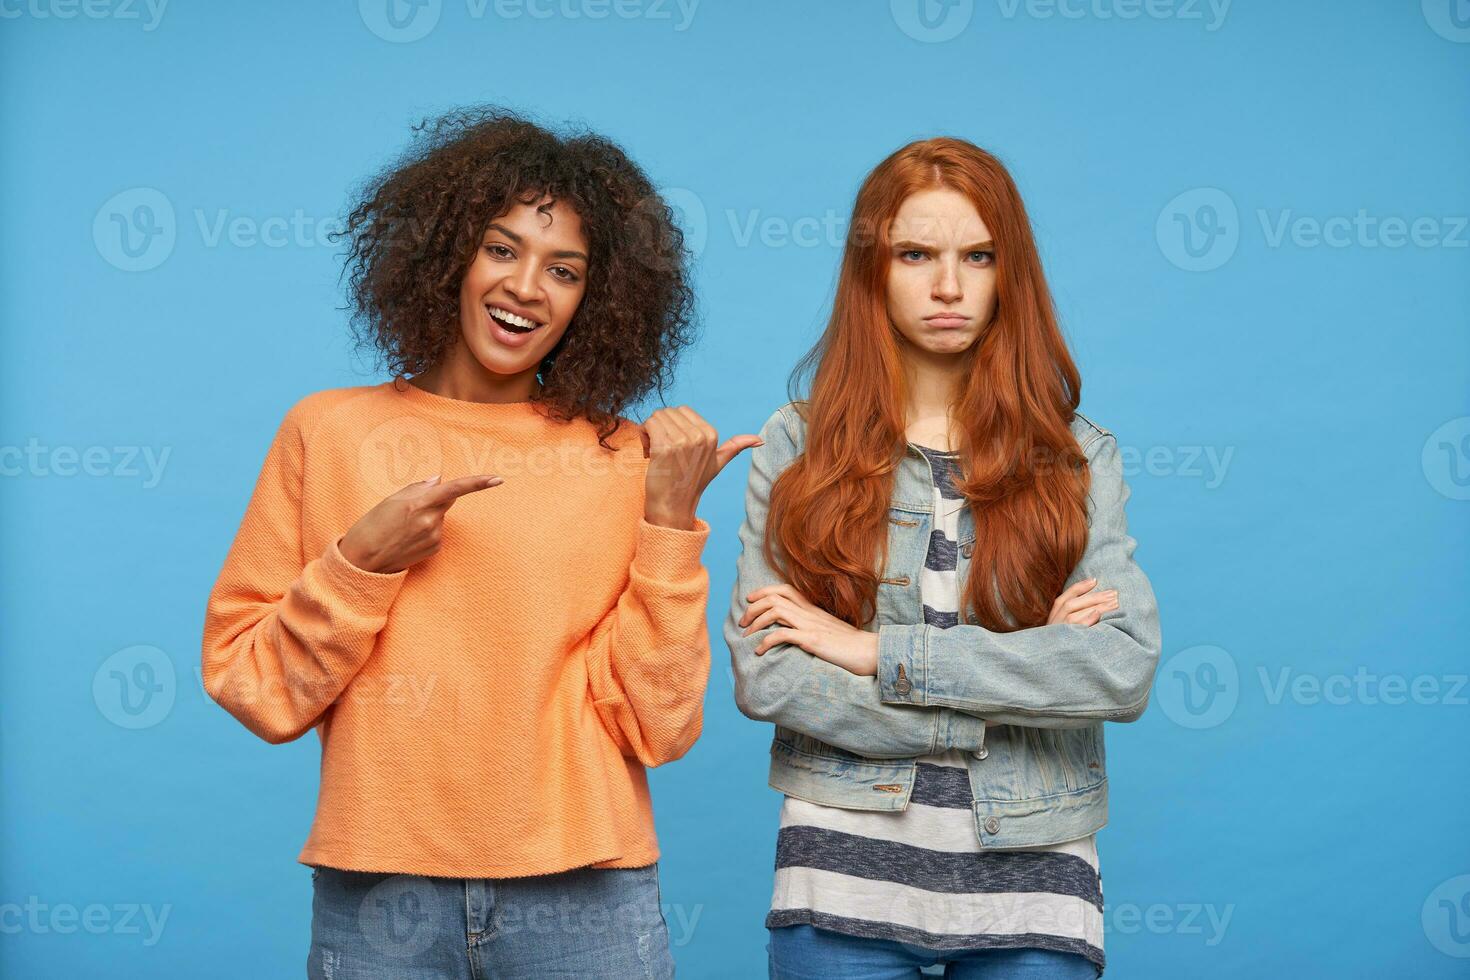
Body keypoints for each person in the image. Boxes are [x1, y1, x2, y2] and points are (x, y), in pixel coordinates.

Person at [202, 105, 759, 979]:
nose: (526, 288)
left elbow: (659, 729)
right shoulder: (328, 433)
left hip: (587, 897)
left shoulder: (622, 459)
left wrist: (669, 526)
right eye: (501, 249)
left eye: (564, 269)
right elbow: (255, 687)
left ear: (597, 298)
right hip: (380, 895)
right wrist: (360, 564)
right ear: (446, 255)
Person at [726, 136, 1163, 978]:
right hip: (841, 879)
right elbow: (769, 676)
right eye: (916, 254)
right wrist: (1021, 678)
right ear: (873, 272)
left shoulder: (1077, 457)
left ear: (1011, 273)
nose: (950, 287)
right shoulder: (796, 446)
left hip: (1036, 880)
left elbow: (1119, 670)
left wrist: (872, 652)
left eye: (978, 255)